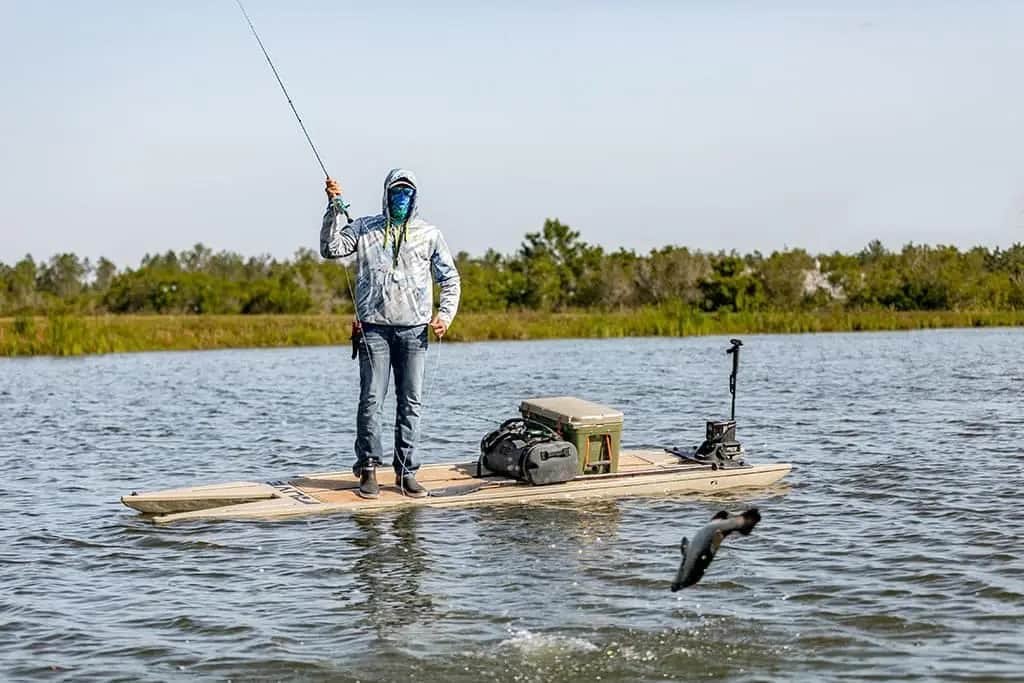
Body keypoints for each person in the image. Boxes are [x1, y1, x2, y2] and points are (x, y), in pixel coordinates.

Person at [319, 169, 461, 499]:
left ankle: (406, 472)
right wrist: (333, 210)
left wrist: (445, 316)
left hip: (414, 332)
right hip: (373, 330)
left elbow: (449, 279)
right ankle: (368, 469)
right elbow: (331, 248)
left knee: (410, 402)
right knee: (371, 400)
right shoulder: (364, 228)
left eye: (407, 193)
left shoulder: (429, 234)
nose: (401, 198)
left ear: (414, 197)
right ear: (386, 194)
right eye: (396, 192)